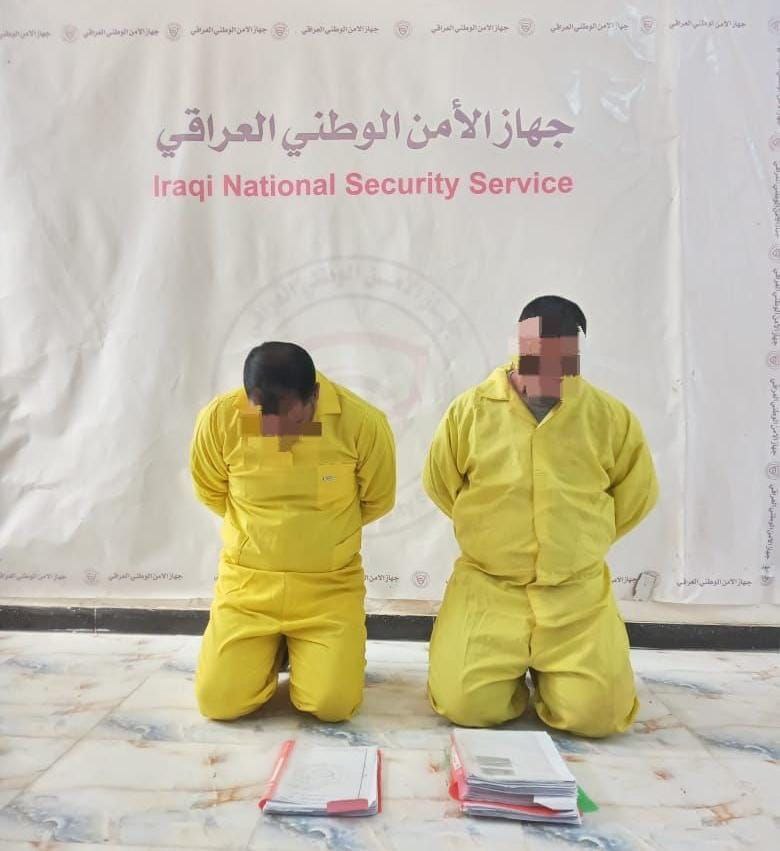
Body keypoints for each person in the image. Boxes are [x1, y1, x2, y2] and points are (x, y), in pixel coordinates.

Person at [423, 296, 658, 737]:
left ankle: (562, 678)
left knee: (599, 717)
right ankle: (503, 669)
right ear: (518, 349)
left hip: (575, 595)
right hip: (489, 588)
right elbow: (441, 485)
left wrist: (577, 542)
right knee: (466, 705)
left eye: (562, 364)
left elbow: (636, 494)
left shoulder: (608, 417)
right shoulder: (469, 412)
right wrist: (496, 538)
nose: (548, 374)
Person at [190, 342, 396, 722]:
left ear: (314, 394)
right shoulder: (220, 420)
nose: (278, 436)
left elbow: (378, 499)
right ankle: (272, 650)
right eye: (265, 423)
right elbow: (210, 490)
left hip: (328, 589)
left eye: (293, 422)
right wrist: (258, 539)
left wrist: (322, 540)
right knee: (217, 702)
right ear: (249, 398)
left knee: (332, 705)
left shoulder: (361, 423)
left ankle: (304, 650)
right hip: (247, 588)